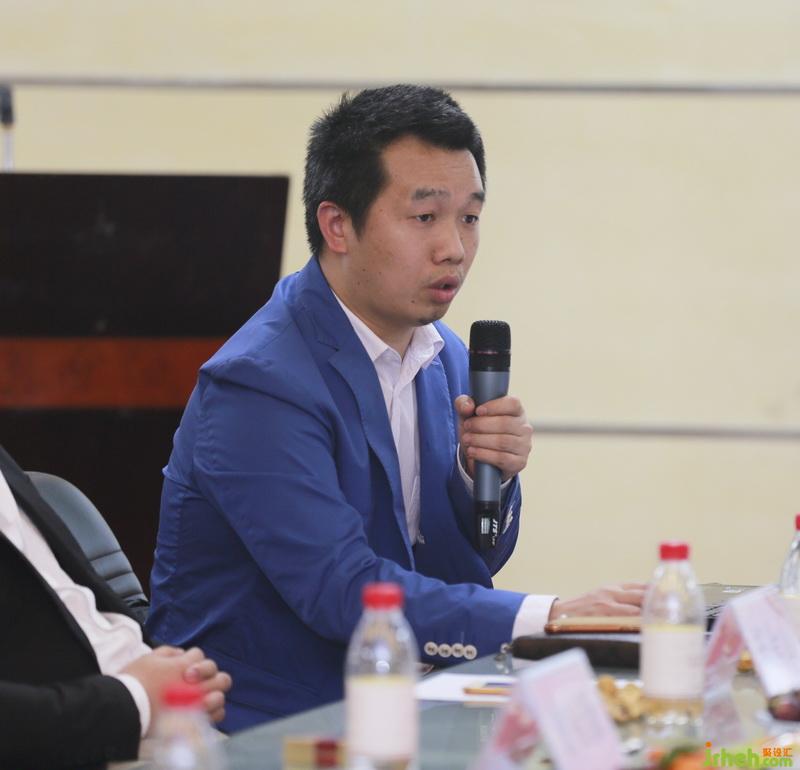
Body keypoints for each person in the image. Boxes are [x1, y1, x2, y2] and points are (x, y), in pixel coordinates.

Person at [147, 84, 643, 731]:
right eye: (425, 217)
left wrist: (484, 479)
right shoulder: (259, 383)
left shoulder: (448, 358)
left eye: (470, 218)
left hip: (409, 703)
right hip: (269, 726)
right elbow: (340, 590)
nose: (454, 247)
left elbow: (472, 563)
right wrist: (548, 618)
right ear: (338, 226)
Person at [0, 443, 232, 769]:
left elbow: (78, 607)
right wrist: (136, 698)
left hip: (166, 726)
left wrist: (168, 673)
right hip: (89, 743)